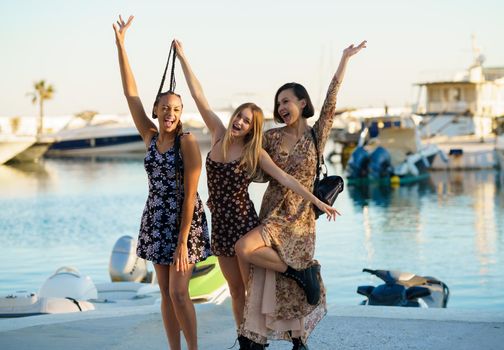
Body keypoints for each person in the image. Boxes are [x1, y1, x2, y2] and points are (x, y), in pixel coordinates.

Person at [174, 40, 340, 347]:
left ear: (253, 128)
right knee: (235, 291)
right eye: (239, 115)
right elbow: (199, 97)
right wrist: (184, 58)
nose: (239, 121)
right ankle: (246, 340)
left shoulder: (254, 151)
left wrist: (317, 202)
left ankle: (271, 329)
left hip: (244, 221)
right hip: (220, 224)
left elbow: (286, 178)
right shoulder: (218, 134)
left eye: (247, 120)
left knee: (254, 291)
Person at [235, 40, 367, 349]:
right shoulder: (269, 137)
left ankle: (299, 339)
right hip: (273, 212)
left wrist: (344, 60)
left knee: (285, 285)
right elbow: (256, 174)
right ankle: (300, 275)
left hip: (301, 218)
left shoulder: (316, 135)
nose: (282, 108)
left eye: (287, 101)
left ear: (302, 103)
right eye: (278, 103)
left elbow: (332, 99)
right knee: (252, 255)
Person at [113, 16, 211, 350]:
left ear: (180, 112)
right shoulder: (151, 136)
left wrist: (183, 241)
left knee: (179, 293)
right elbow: (130, 95)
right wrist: (121, 45)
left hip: (185, 222)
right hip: (155, 219)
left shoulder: (187, 141)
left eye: (176, 108)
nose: (170, 112)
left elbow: (191, 194)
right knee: (165, 295)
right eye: (165, 107)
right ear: (156, 109)